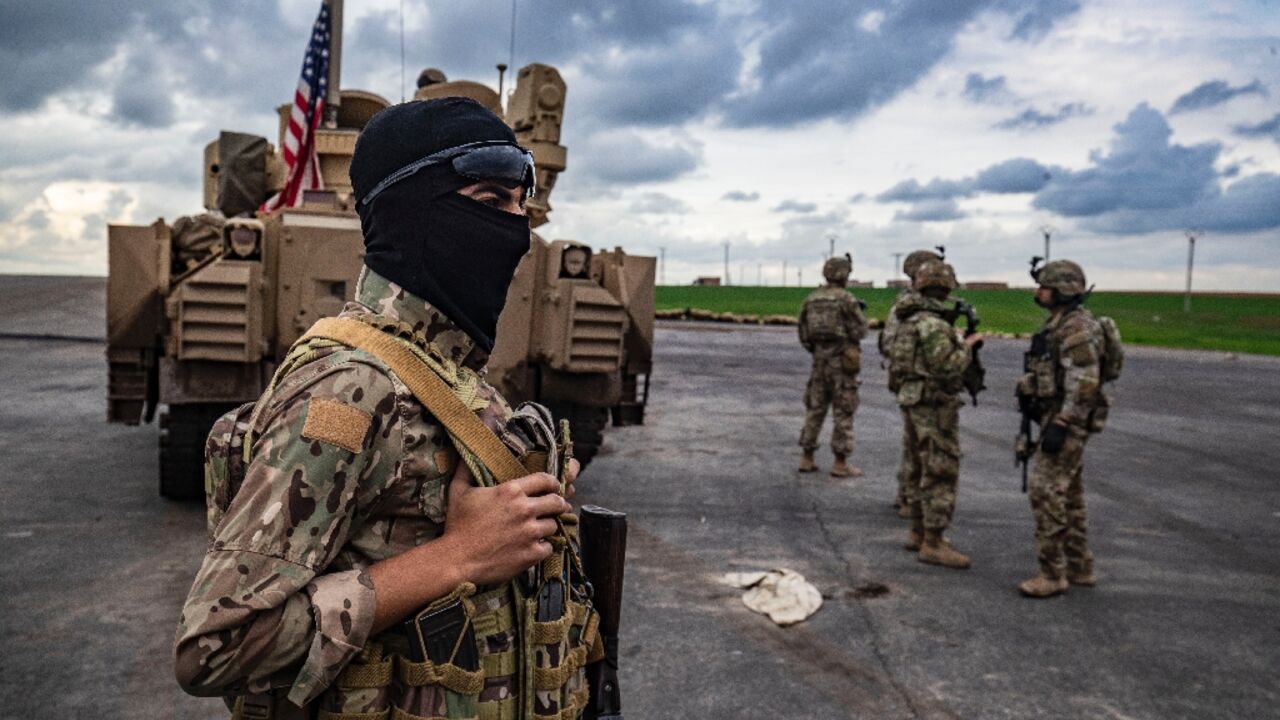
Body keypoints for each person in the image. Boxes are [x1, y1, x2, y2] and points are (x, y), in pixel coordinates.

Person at [175, 98, 596, 718]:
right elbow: (214, 647)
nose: (517, 233)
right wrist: (455, 558)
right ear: (411, 211)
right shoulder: (347, 389)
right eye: (488, 202)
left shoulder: (455, 377)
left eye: (519, 206)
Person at [1016, 259, 1108, 598]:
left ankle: (1052, 573)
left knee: (1046, 491)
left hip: (1066, 422)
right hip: (1057, 416)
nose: (1038, 291)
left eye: (1045, 286)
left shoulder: (1076, 328)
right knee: (1070, 496)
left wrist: (1064, 421)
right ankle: (1080, 566)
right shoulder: (1061, 323)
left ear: (1063, 290)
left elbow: (1085, 380)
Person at [885, 260, 982, 569]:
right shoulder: (933, 325)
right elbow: (947, 366)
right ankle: (934, 542)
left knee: (919, 466)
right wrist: (967, 345)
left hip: (914, 399)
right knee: (940, 470)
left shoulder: (910, 321)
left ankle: (917, 531)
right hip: (934, 403)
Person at [878, 249, 943, 517]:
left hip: (906, 377)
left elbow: (886, 343)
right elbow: (891, 343)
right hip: (919, 379)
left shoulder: (905, 304)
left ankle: (906, 492)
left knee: (912, 440)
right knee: (919, 443)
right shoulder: (915, 306)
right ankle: (909, 496)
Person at [798, 254, 868, 477]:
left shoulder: (812, 299)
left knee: (815, 408)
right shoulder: (847, 300)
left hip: (819, 361)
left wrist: (819, 351)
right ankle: (840, 462)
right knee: (843, 410)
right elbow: (861, 330)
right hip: (842, 362)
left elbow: (803, 333)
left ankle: (807, 457)